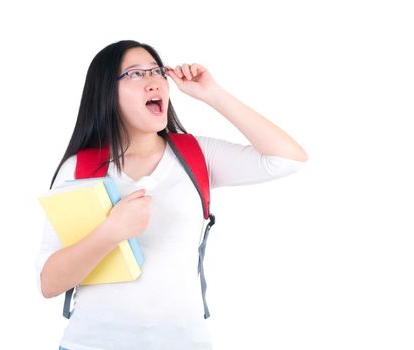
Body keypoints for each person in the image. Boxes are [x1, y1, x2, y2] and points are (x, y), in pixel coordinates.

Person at [35, 39, 308, 350]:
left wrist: (213, 95)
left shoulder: (197, 155)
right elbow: (50, 283)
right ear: (106, 93)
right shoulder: (80, 168)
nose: (153, 81)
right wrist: (111, 232)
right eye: (136, 74)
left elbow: (287, 159)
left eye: (156, 71)